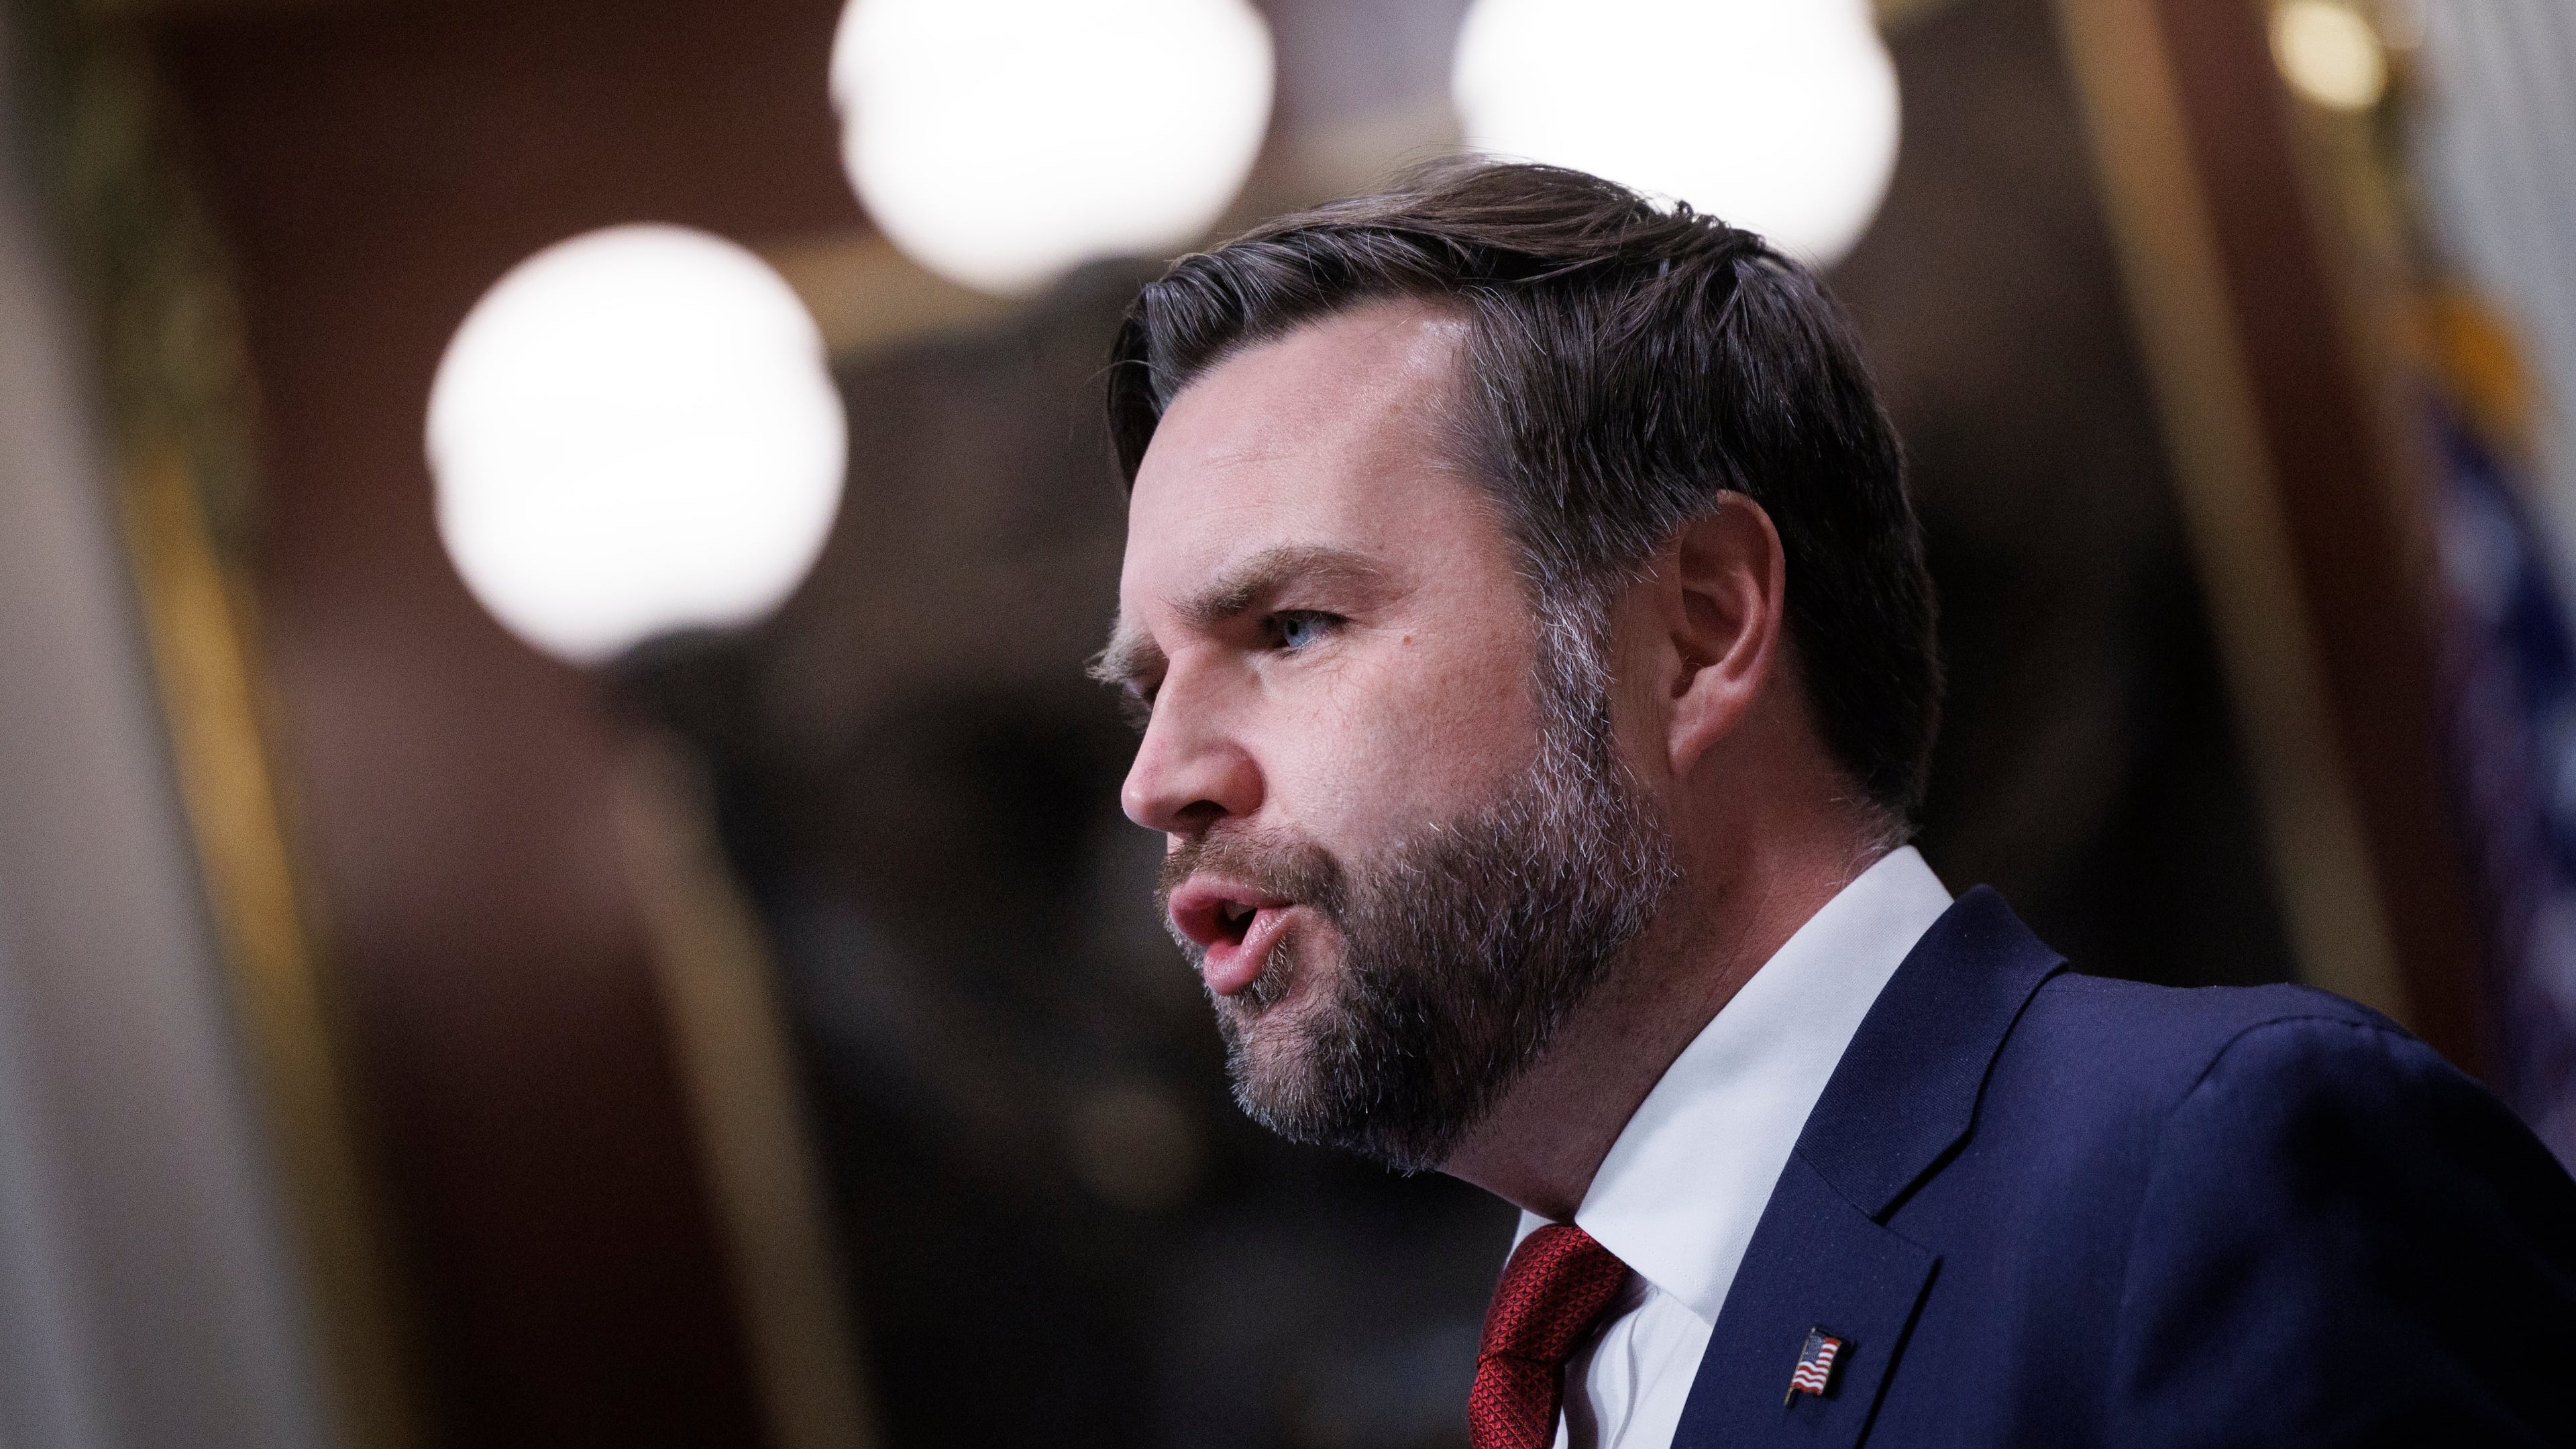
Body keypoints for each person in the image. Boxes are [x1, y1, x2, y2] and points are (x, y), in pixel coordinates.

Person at [1089, 159, 2576, 1448]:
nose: (1159, 781)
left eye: (1291, 628)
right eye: (1147, 687)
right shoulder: (1539, 1374)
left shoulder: (2210, 1178)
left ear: (1698, 630)